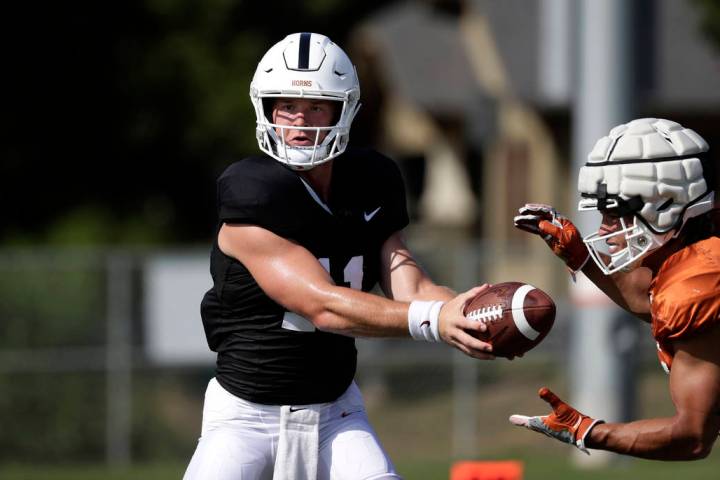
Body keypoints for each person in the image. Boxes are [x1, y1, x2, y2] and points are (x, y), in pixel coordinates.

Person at [183, 32, 494, 480]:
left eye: (316, 107)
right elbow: (323, 306)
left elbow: (408, 281)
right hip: (246, 417)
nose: (300, 121)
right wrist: (433, 321)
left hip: (335, 413)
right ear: (268, 109)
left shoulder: (370, 178)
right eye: (287, 106)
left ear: (343, 111)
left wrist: (463, 311)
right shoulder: (251, 192)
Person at [509, 117, 720, 460]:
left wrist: (588, 431)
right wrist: (581, 257)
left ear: (665, 206)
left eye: (615, 213)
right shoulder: (696, 257)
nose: (606, 232)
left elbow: (693, 436)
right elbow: (651, 302)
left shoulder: (700, 281)